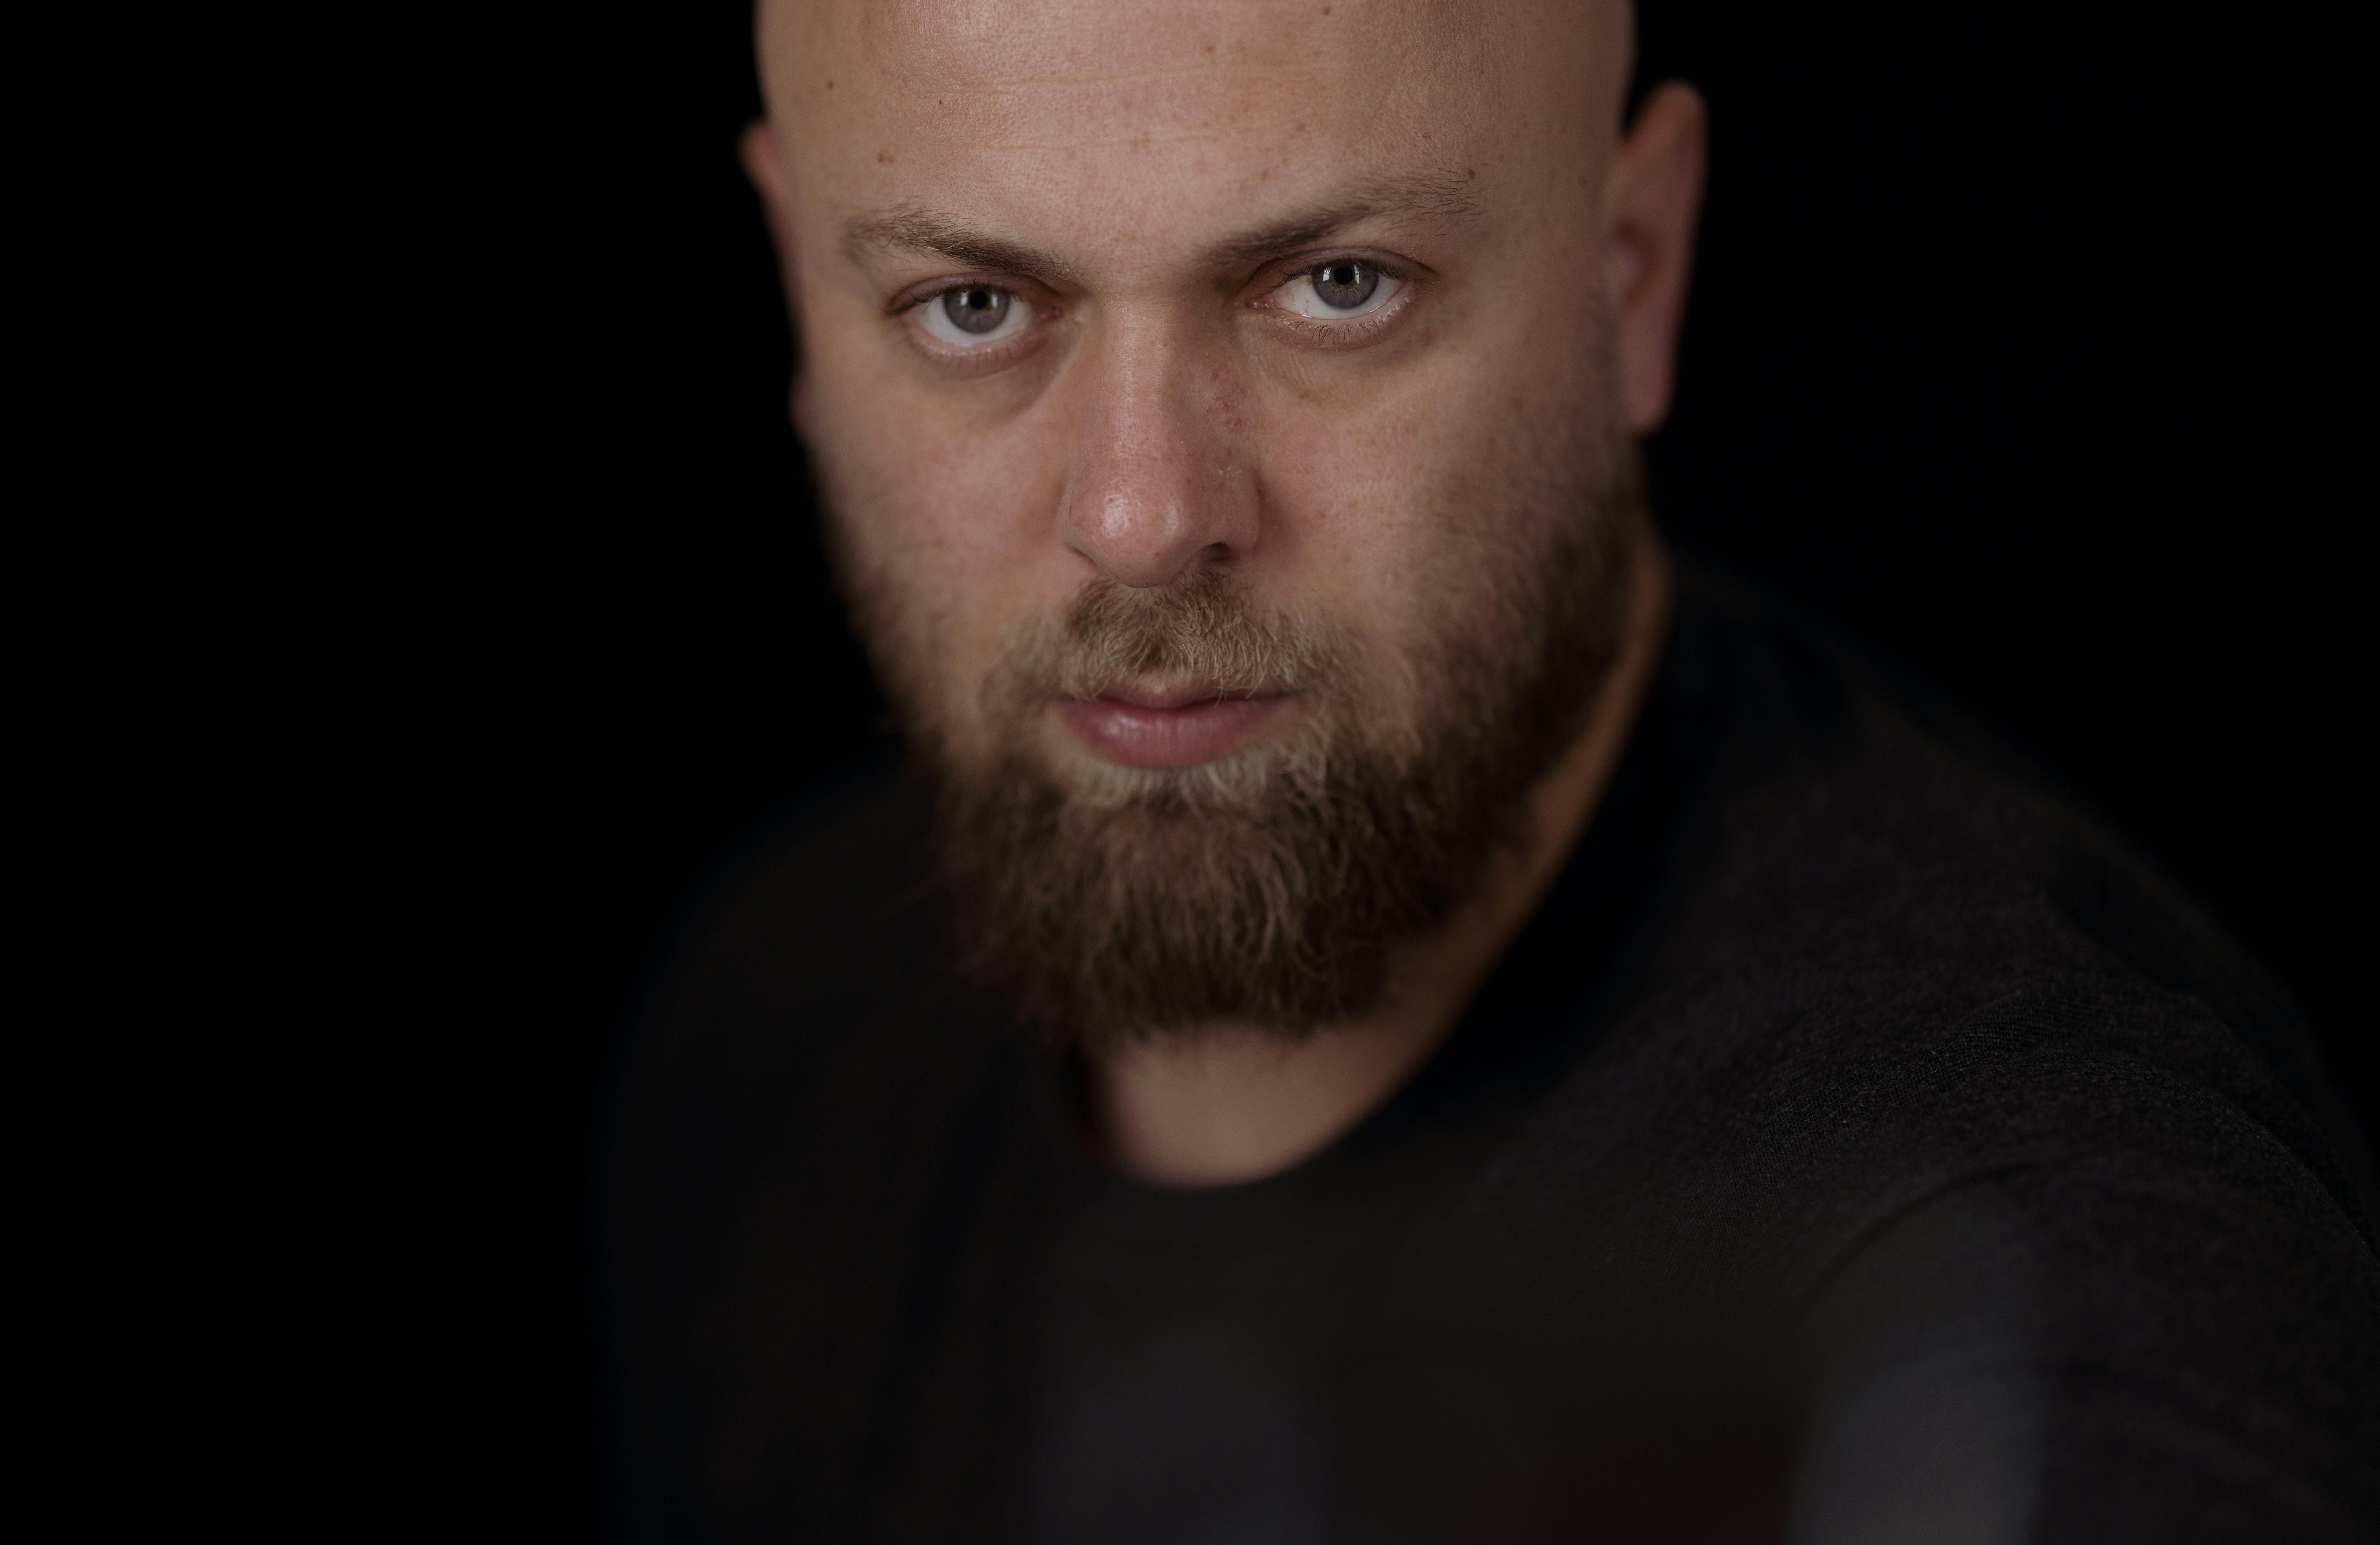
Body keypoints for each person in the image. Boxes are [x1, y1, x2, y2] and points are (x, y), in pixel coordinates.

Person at [608, 1, 2380, 1538]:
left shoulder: (2026, 1247)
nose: (1141, 518)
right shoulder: (781, 1021)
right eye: (972, 305)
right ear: (799, 290)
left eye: (1338, 287)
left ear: (1634, 271)